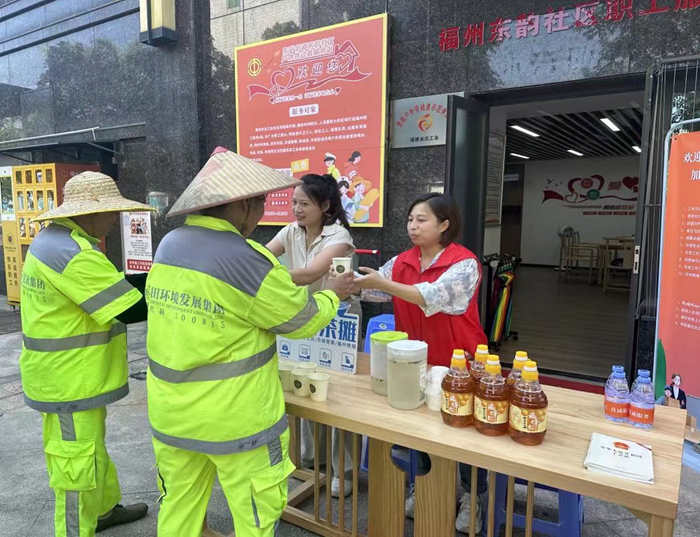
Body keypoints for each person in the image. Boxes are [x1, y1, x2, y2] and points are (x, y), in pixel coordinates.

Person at [146, 147, 353, 537]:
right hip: (236, 421)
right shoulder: (244, 257)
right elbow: (300, 320)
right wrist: (332, 295)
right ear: (242, 204)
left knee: (179, 511)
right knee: (255, 517)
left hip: (171, 412)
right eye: (261, 203)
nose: (262, 213)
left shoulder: (170, 244)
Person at [19, 171, 154, 537]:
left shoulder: (58, 239)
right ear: (90, 213)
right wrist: (180, 286)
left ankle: (104, 510)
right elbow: (130, 308)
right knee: (75, 464)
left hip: (70, 376)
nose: (115, 219)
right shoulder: (72, 254)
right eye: (112, 212)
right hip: (69, 381)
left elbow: (114, 284)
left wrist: (160, 276)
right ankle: (75, 529)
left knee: (90, 448)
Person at [354, 192, 488, 533]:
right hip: (415, 360)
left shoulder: (464, 264)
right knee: (417, 430)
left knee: (465, 435)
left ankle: (473, 498)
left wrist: (384, 283)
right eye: (410, 220)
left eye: (422, 220)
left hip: (460, 361)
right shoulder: (403, 261)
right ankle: (422, 485)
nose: (413, 226)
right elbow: (376, 290)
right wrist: (348, 282)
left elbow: (431, 296)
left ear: (444, 225)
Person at [266, 173, 357, 497]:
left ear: (325, 205)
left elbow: (311, 273)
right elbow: (263, 256)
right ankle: (312, 459)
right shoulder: (291, 231)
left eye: (304, 203)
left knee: (338, 396)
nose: (297, 209)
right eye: (294, 203)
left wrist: (267, 275)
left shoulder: (339, 236)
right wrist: (258, 267)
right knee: (304, 385)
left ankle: (343, 471)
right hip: (304, 316)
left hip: (336, 319)